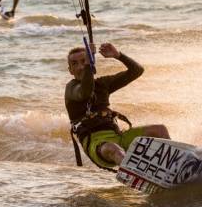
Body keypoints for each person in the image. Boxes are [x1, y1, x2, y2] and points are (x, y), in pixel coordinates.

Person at [65, 42, 170, 170]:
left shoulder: (103, 84)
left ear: (92, 62)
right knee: (114, 149)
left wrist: (118, 55)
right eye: (75, 64)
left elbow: (137, 71)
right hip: (97, 145)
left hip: (119, 137)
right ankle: (136, 174)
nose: (81, 66)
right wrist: (88, 63)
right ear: (70, 70)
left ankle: (174, 165)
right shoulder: (71, 89)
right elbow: (85, 91)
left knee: (160, 130)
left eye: (84, 61)